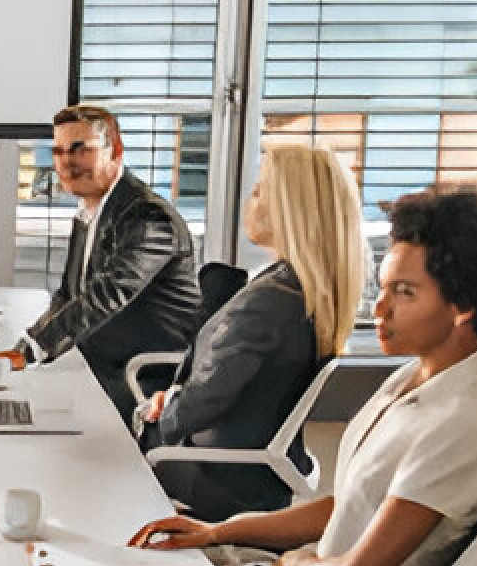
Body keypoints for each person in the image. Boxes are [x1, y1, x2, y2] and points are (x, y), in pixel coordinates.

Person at [130, 183, 477, 566]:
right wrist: (216, 532)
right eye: (384, 287)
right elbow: (348, 507)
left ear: (465, 307)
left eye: (405, 293)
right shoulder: (413, 381)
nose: (380, 308)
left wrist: (292, 565)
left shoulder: (462, 423)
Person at [137, 142, 370, 519]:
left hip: (217, 473)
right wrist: (175, 398)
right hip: (251, 466)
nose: (250, 199)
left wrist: (155, 412)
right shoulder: (303, 290)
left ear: (290, 210)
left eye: (261, 189)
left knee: (99, 449)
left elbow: (200, 407)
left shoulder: (269, 302)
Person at [0, 104, 200, 414]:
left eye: (79, 149)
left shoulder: (147, 218)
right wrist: (26, 347)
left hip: (139, 378)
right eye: (58, 151)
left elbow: (104, 296)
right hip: (98, 360)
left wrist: (30, 353)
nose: (66, 163)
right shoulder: (91, 209)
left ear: (115, 150)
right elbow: (69, 295)